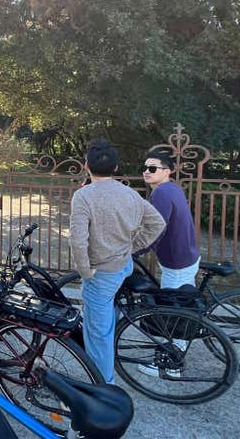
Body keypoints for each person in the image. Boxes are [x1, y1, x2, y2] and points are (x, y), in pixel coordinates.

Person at [69, 139, 165, 384]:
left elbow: (78, 242)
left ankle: (104, 387)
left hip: (101, 272)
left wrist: (85, 271)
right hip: (122, 265)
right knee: (106, 317)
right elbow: (157, 223)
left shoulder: (84, 196)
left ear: (86, 165)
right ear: (115, 167)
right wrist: (132, 246)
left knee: (97, 333)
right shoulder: (129, 194)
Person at [140, 151, 201, 288]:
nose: (147, 172)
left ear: (167, 171)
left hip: (176, 263)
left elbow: (156, 228)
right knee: (183, 302)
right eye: (144, 168)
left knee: (170, 307)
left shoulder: (161, 193)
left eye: (152, 168)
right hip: (186, 256)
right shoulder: (173, 188)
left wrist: (137, 250)